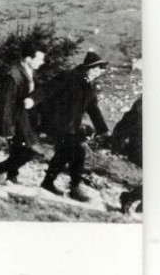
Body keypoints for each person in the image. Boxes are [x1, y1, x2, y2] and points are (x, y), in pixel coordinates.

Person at [39, 50, 109, 201]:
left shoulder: (90, 86)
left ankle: (51, 182)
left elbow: (93, 109)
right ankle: (73, 187)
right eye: (96, 68)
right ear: (87, 67)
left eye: (100, 70)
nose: (98, 72)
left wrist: (103, 129)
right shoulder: (69, 77)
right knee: (76, 151)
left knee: (68, 152)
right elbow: (46, 90)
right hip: (55, 122)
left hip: (71, 126)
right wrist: (32, 102)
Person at [0, 39, 46, 186]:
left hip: (25, 120)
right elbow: (6, 103)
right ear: (28, 59)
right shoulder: (12, 75)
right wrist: (7, 127)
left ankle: (11, 177)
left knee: (19, 150)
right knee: (28, 152)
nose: (42, 62)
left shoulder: (31, 72)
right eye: (39, 58)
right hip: (15, 120)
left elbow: (39, 91)